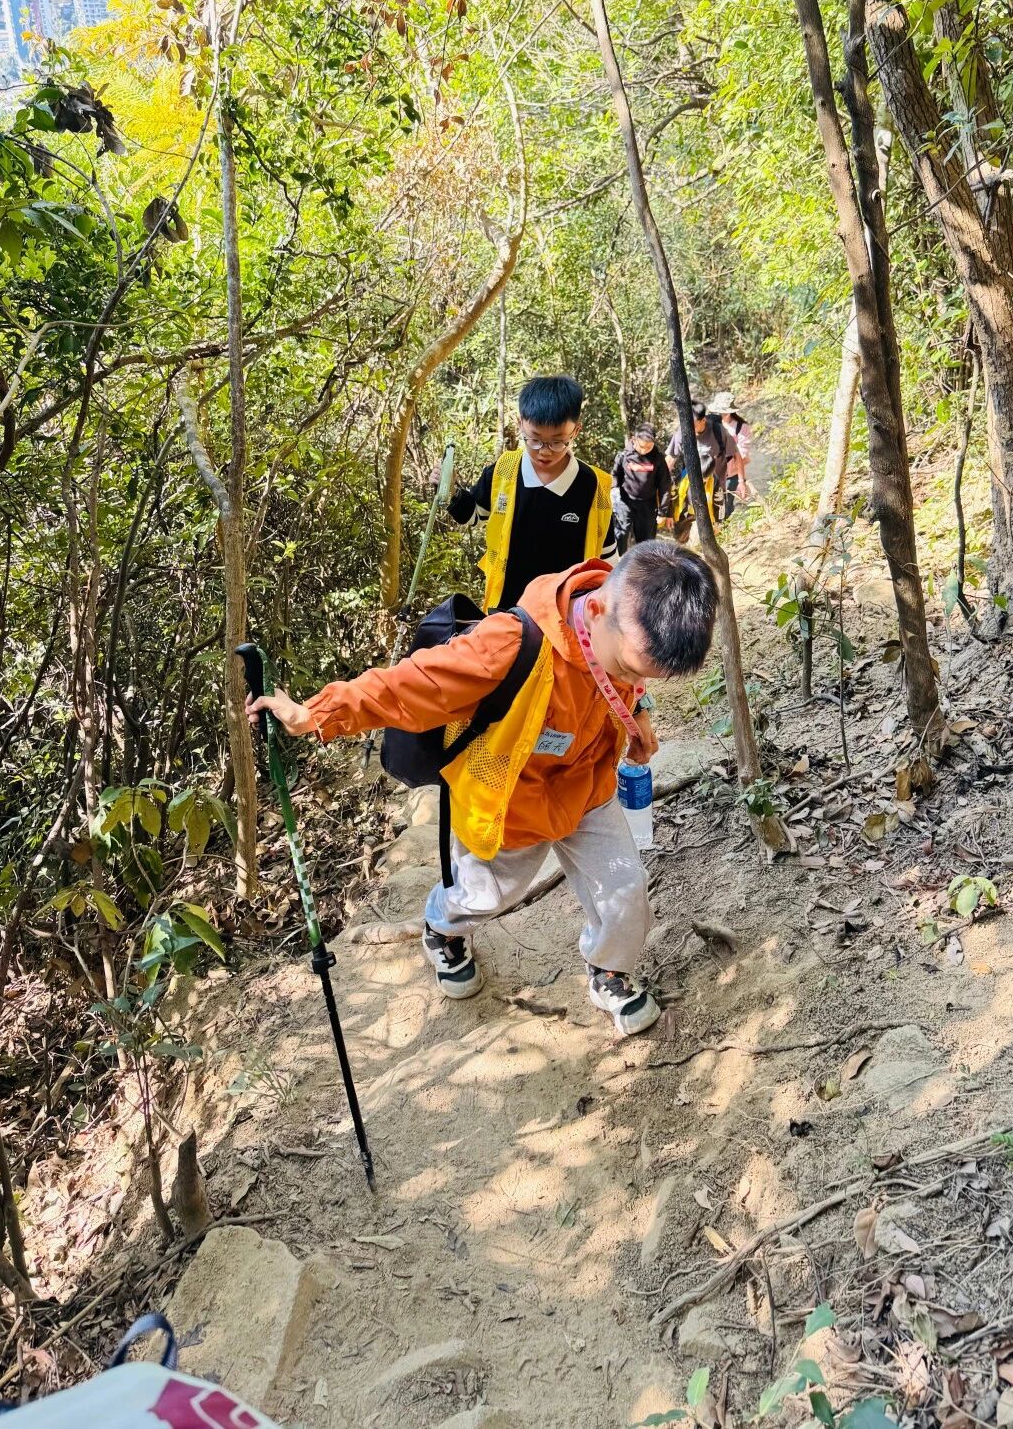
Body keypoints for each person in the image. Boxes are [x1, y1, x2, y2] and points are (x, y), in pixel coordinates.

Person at [248, 543, 719, 1037]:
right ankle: (441, 929)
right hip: (512, 802)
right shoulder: (510, 645)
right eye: (630, 666)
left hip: (587, 786)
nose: (633, 678)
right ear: (596, 609)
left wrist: (635, 717)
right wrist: (316, 714)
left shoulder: (622, 627)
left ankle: (608, 971)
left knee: (625, 889)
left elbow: (622, 687)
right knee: (485, 895)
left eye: (647, 676)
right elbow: (409, 686)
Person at [446, 374, 616, 611]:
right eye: (534, 439)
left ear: (575, 431)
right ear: (520, 423)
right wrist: (452, 492)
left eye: (557, 442)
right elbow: (475, 515)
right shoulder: (503, 471)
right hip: (505, 606)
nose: (544, 452)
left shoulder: (593, 485)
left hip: (564, 614)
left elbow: (607, 558)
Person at [665, 399, 727, 544]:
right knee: (682, 531)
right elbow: (670, 460)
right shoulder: (682, 433)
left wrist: (719, 522)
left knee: (711, 527)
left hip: (714, 483)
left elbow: (731, 456)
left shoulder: (717, 432)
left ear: (703, 420)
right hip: (688, 485)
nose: (689, 428)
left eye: (693, 424)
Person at [611, 423, 673, 553]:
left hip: (647, 504)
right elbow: (615, 476)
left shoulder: (658, 459)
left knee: (646, 542)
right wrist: (613, 491)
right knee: (620, 535)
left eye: (648, 447)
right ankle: (617, 564)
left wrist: (663, 512)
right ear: (634, 439)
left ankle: (642, 567)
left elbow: (665, 486)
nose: (644, 450)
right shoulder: (624, 455)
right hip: (625, 501)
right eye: (641, 446)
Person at [709, 391, 752, 519]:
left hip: (731, 474)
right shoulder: (711, 424)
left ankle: (723, 529)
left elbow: (742, 453)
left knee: (726, 504)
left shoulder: (741, 427)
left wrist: (741, 480)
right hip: (713, 473)